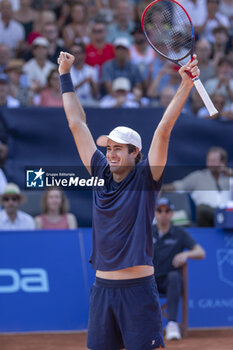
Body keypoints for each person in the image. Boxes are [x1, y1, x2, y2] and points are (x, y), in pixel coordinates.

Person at [58, 50, 200, 349]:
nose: (111, 152)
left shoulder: (146, 177)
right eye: (109, 147)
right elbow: (76, 124)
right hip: (102, 290)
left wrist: (185, 85)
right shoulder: (99, 171)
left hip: (138, 290)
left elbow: (163, 131)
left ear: (136, 154)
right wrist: (65, 74)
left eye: (119, 148)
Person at [152, 197, 205, 341]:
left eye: (167, 210)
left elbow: (200, 252)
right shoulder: (147, 231)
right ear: (155, 213)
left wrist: (186, 253)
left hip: (170, 283)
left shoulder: (180, 233)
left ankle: (172, 324)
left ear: (171, 214)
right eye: (159, 210)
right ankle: (140, 327)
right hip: (149, 281)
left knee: (175, 276)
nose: (163, 213)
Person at [162, 146, 232, 227]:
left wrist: (229, 172)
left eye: (214, 161)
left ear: (223, 162)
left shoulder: (229, 177)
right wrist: (160, 189)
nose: (210, 164)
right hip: (207, 220)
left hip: (228, 217)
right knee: (202, 209)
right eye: (208, 160)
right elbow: (179, 186)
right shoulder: (198, 177)